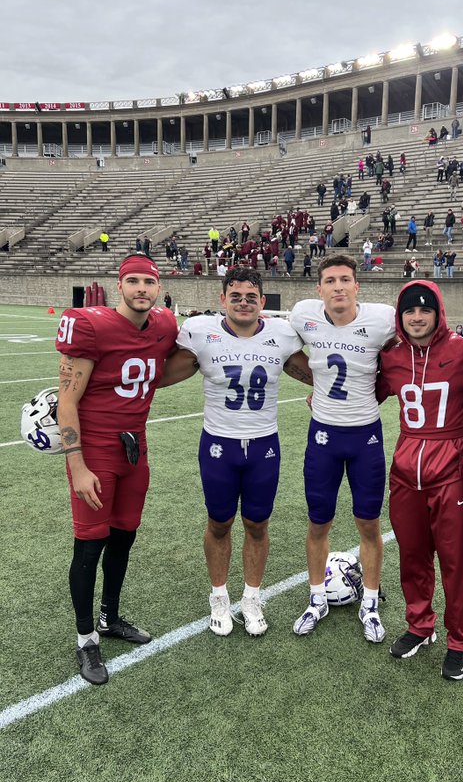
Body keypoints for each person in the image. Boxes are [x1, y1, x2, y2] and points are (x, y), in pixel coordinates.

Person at [160, 268, 312, 638]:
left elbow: (318, 372)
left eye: (251, 296)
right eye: (236, 295)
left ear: (262, 302)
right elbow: (157, 376)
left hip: (264, 445)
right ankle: (219, 596)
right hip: (218, 445)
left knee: (257, 525)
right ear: (222, 299)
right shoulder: (201, 333)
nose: (243, 302)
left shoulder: (281, 334)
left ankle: (251, 597)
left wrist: (329, 392)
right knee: (219, 522)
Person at [55, 255, 179, 685]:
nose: (141, 288)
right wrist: (78, 465)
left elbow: (165, 368)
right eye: (133, 281)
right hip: (97, 453)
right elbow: (66, 401)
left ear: (158, 287)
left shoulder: (164, 324)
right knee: (90, 544)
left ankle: (109, 616)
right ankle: (86, 637)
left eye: (148, 281)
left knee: (124, 537)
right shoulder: (91, 325)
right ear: (119, 286)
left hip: (135, 450)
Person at [289, 256, 396, 642]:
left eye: (345, 280)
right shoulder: (303, 315)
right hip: (323, 436)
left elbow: (401, 352)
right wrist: (312, 382)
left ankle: (369, 601)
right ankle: (317, 597)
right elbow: (283, 352)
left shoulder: (382, 319)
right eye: (330, 281)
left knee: (368, 523)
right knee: (319, 521)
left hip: (365, 435)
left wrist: (383, 387)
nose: (338, 287)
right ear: (319, 289)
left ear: (357, 287)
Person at [376, 282, 463, 679]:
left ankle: (459, 638)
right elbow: (367, 391)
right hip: (405, 468)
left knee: (455, 560)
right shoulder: (392, 357)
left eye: (425, 310)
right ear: (400, 317)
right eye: (409, 311)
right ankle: (420, 624)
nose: (417, 317)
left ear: (439, 313)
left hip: (451, 468)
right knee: (412, 554)